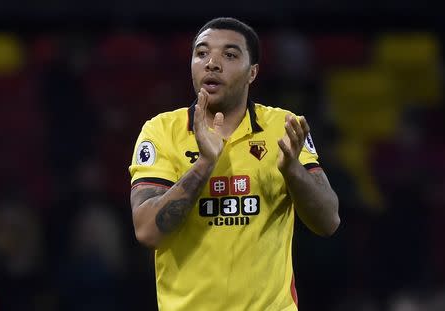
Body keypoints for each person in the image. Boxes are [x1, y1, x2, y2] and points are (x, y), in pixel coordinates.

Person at [129, 17, 340, 311]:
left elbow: (329, 221)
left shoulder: (282, 126)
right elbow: (147, 232)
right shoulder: (161, 132)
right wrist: (204, 164)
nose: (212, 63)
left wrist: (292, 170)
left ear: (252, 72)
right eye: (202, 53)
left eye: (229, 55)